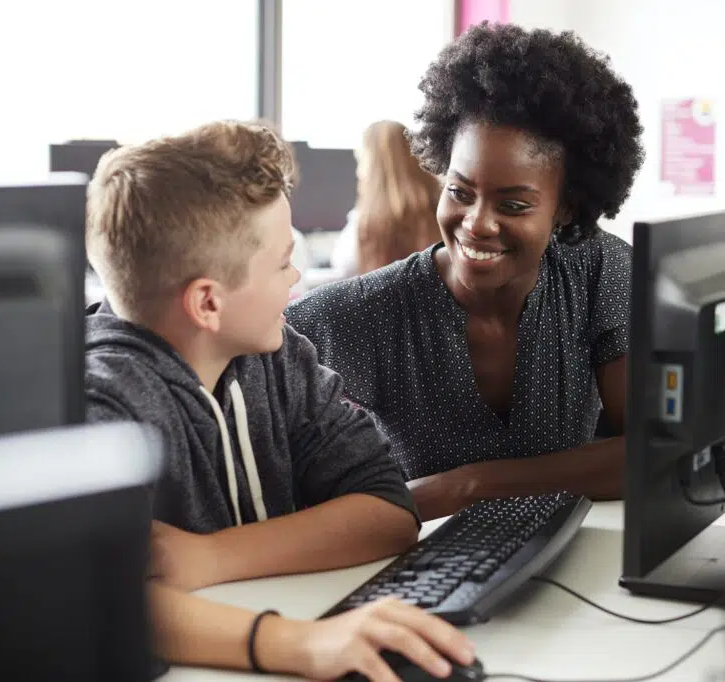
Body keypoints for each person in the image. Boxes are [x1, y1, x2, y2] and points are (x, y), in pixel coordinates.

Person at [85, 120, 474, 678]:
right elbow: (95, 599)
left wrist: (207, 557)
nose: (296, 279)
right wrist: (297, 644)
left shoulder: (277, 356)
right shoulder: (103, 403)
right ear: (207, 304)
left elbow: (389, 511)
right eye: (281, 262)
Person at [287, 22, 645, 521]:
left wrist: (467, 486)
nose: (476, 224)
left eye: (514, 205)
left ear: (565, 208)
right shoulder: (351, 317)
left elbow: (647, 453)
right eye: (459, 192)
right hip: (419, 571)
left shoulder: (597, 269)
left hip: (563, 554)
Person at [330, 120, 442, 276]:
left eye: (361, 161)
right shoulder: (441, 210)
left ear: (373, 166)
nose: (359, 172)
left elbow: (342, 267)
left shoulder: (364, 226)